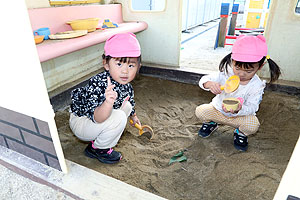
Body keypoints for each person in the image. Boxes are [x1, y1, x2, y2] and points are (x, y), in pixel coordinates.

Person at [195, 35, 281, 151]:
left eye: (248, 71)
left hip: (239, 117)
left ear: (260, 66)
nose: (241, 74)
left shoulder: (257, 85)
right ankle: (211, 123)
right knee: (200, 111)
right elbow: (203, 80)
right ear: (232, 60)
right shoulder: (225, 73)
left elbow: (252, 107)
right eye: (237, 67)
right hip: (218, 111)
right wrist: (210, 84)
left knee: (253, 125)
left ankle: (240, 133)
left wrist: (240, 109)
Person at [69, 32, 142, 164]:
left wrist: (134, 117)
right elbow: (97, 118)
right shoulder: (98, 83)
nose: (125, 71)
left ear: (138, 67)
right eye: (119, 64)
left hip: (97, 121)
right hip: (83, 122)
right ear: (106, 64)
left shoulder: (127, 86)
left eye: (131, 65)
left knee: (127, 106)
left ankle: (99, 139)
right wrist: (108, 102)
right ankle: (98, 149)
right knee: (119, 117)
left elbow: (130, 100)